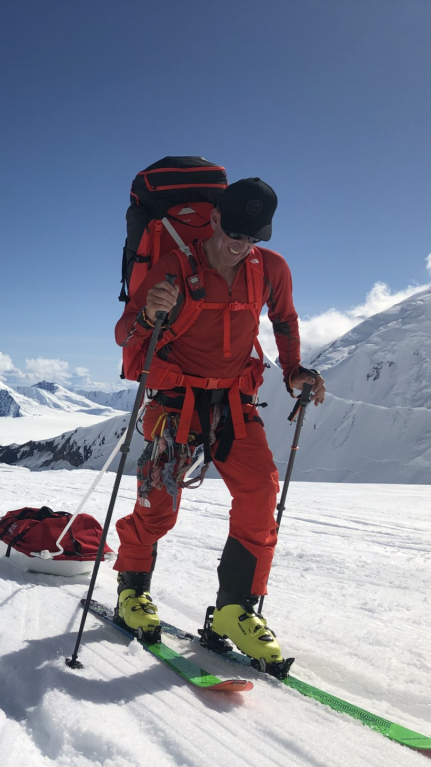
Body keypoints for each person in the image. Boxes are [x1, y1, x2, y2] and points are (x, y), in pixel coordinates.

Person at [112, 177, 327, 669]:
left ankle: (234, 611)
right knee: (159, 508)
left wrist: (294, 370)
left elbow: (285, 320)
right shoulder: (174, 265)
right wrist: (149, 314)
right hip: (174, 403)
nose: (239, 244)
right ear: (213, 219)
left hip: (234, 403)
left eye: (251, 238)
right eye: (233, 231)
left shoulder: (270, 269)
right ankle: (133, 589)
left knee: (259, 494)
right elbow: (125, 333)